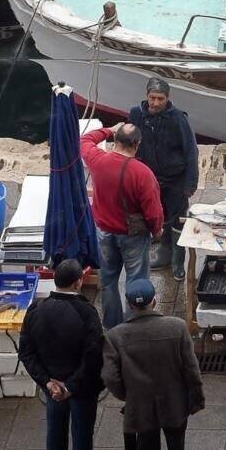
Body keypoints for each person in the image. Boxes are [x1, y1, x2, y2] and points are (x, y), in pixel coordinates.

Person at [103, 279, 205, 450]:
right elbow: (191, 369)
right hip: (175, 403)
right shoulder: (178, 327)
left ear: (130, 305)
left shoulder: (115, 336)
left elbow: (110, 377)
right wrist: (196, 399)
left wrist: (129, 395)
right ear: (155, 301)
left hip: (140, 407)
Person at [18, 259, 104, 450]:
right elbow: (93, 357)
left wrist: (47, 383)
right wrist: (71, 387)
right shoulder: (87, 313)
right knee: (83, 433)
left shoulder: (36, 310)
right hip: (81, 389)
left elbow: (26, 352)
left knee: (55, 430)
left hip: (53, 387)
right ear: (78, 283)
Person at [81, 124, 164, 329]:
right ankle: (134, 325)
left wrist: (109, 129)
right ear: (137, 144)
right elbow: (153, 211)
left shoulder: (97, 160)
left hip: (103, 231)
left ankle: (111, 325)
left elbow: (84, 140)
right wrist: (157, 230)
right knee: (136, 281)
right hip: (133, 235)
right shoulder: (142, 173)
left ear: (115, 140)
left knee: (108, 281)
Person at [128, 78, 198, 279]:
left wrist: (190, 183)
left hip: (175, 180)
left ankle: (178, 261)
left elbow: (191, 152)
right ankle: (164, 251)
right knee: (158, 217)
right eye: (153, 98)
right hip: (149, 180)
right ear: (146, 96)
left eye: (161, 98)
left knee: (177, 220)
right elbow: (127, 145)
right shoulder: (136, 115)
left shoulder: (178, 119)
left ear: (168, 98)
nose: (156, 103)